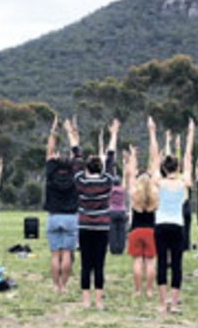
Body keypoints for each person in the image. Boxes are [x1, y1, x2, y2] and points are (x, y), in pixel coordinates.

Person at [148, 116, 195, 314]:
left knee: (161, 263)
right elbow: (188, 156)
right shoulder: (184, 182)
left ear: (163, 168)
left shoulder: (159, 181)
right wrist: (191, 133)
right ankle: (174, 304)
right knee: (176, 264)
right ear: (177, 168)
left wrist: (152, 132)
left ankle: (161, 303)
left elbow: (154, 158)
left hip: (160, 226)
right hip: (177, 226)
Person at [73, 118, 119, 309]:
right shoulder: (107, 181)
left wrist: (73, 138)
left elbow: (76, 159)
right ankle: (98, 302)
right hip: (101, 227)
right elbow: (110, 158)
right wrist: (114, 134)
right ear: (101, 169)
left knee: (86, 264)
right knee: (99, 265)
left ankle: (85, 301)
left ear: (86, 169)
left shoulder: (80, 182)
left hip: (84, 226)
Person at [44, 115, 82, 294]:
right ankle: (63, 286)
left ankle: (54, 285)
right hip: (70, 217)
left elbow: (50, 151)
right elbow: (77, 154)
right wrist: (70, 133)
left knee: (55, 254)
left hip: (53, 216)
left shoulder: (51, 174)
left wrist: (53, 130)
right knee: (67, 253)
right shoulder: (75, 176)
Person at [126, 146, 158, 297]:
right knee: (150, 263)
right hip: (151, 231)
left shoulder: (134, 195)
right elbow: (156, 170)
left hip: (136, 231)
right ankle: (150, 290)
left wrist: (133, 157)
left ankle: (138, 290)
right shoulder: (154, 196)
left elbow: (131, 175)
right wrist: (155, 157)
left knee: (137, 262)